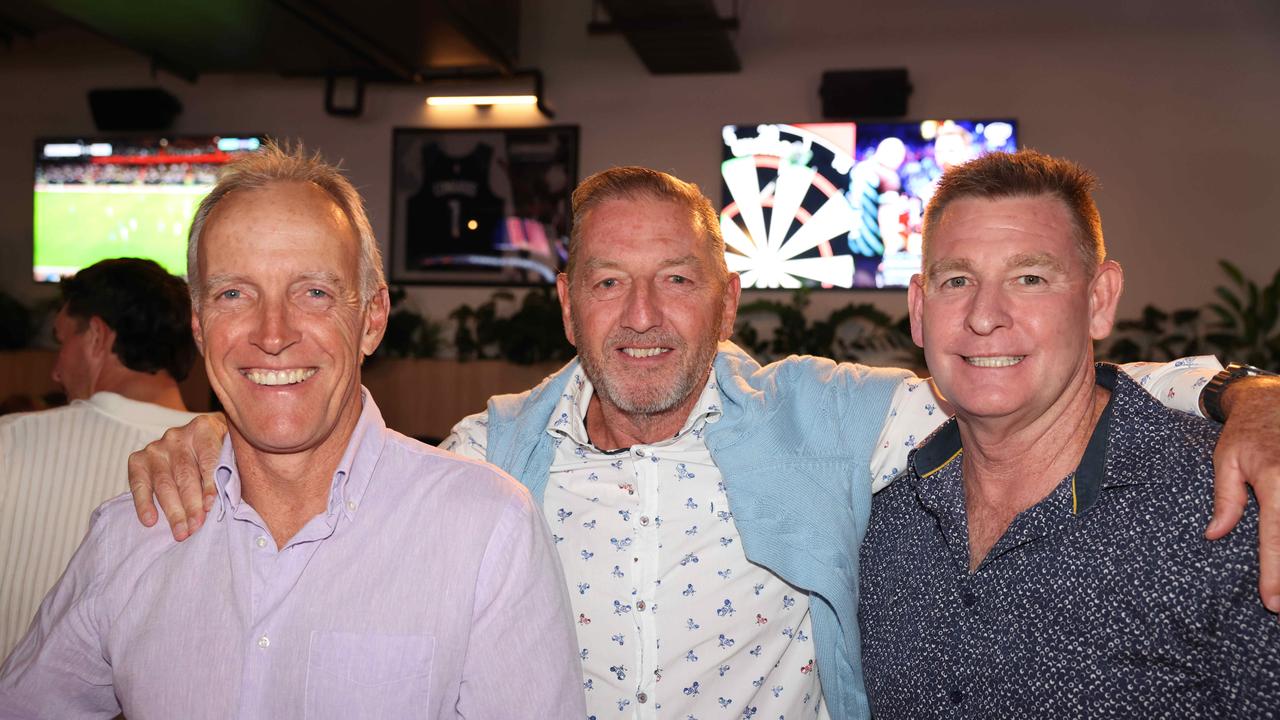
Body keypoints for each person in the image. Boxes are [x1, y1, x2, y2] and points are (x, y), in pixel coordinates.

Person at [128, 166, 1280, 720]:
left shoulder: (835, 419)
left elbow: (1026, 375)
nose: (641, 318)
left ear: (725, 298)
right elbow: (323, 478)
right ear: (564, 302)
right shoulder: (488, 456)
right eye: (610, 284)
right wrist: (205, 441)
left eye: (675, 280)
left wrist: (1242, 390)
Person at [0, 144, 584, 719]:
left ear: (372, 319)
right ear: (200, 327)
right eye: (234, 293)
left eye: (313, 293)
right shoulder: (130, 533)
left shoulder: (487, 530)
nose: (273, 333)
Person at [858, 150, 1279, 716]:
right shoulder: (880, 512)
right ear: (918, 309)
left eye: (1029, 278)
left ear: (1099, 300)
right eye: (957, 280)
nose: (985, 316)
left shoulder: (1236, 505)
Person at [0, 258, 200, 658]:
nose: (56, 371)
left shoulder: (9, 441)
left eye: (61, 341)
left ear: (96, 336)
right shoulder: (238, 465)